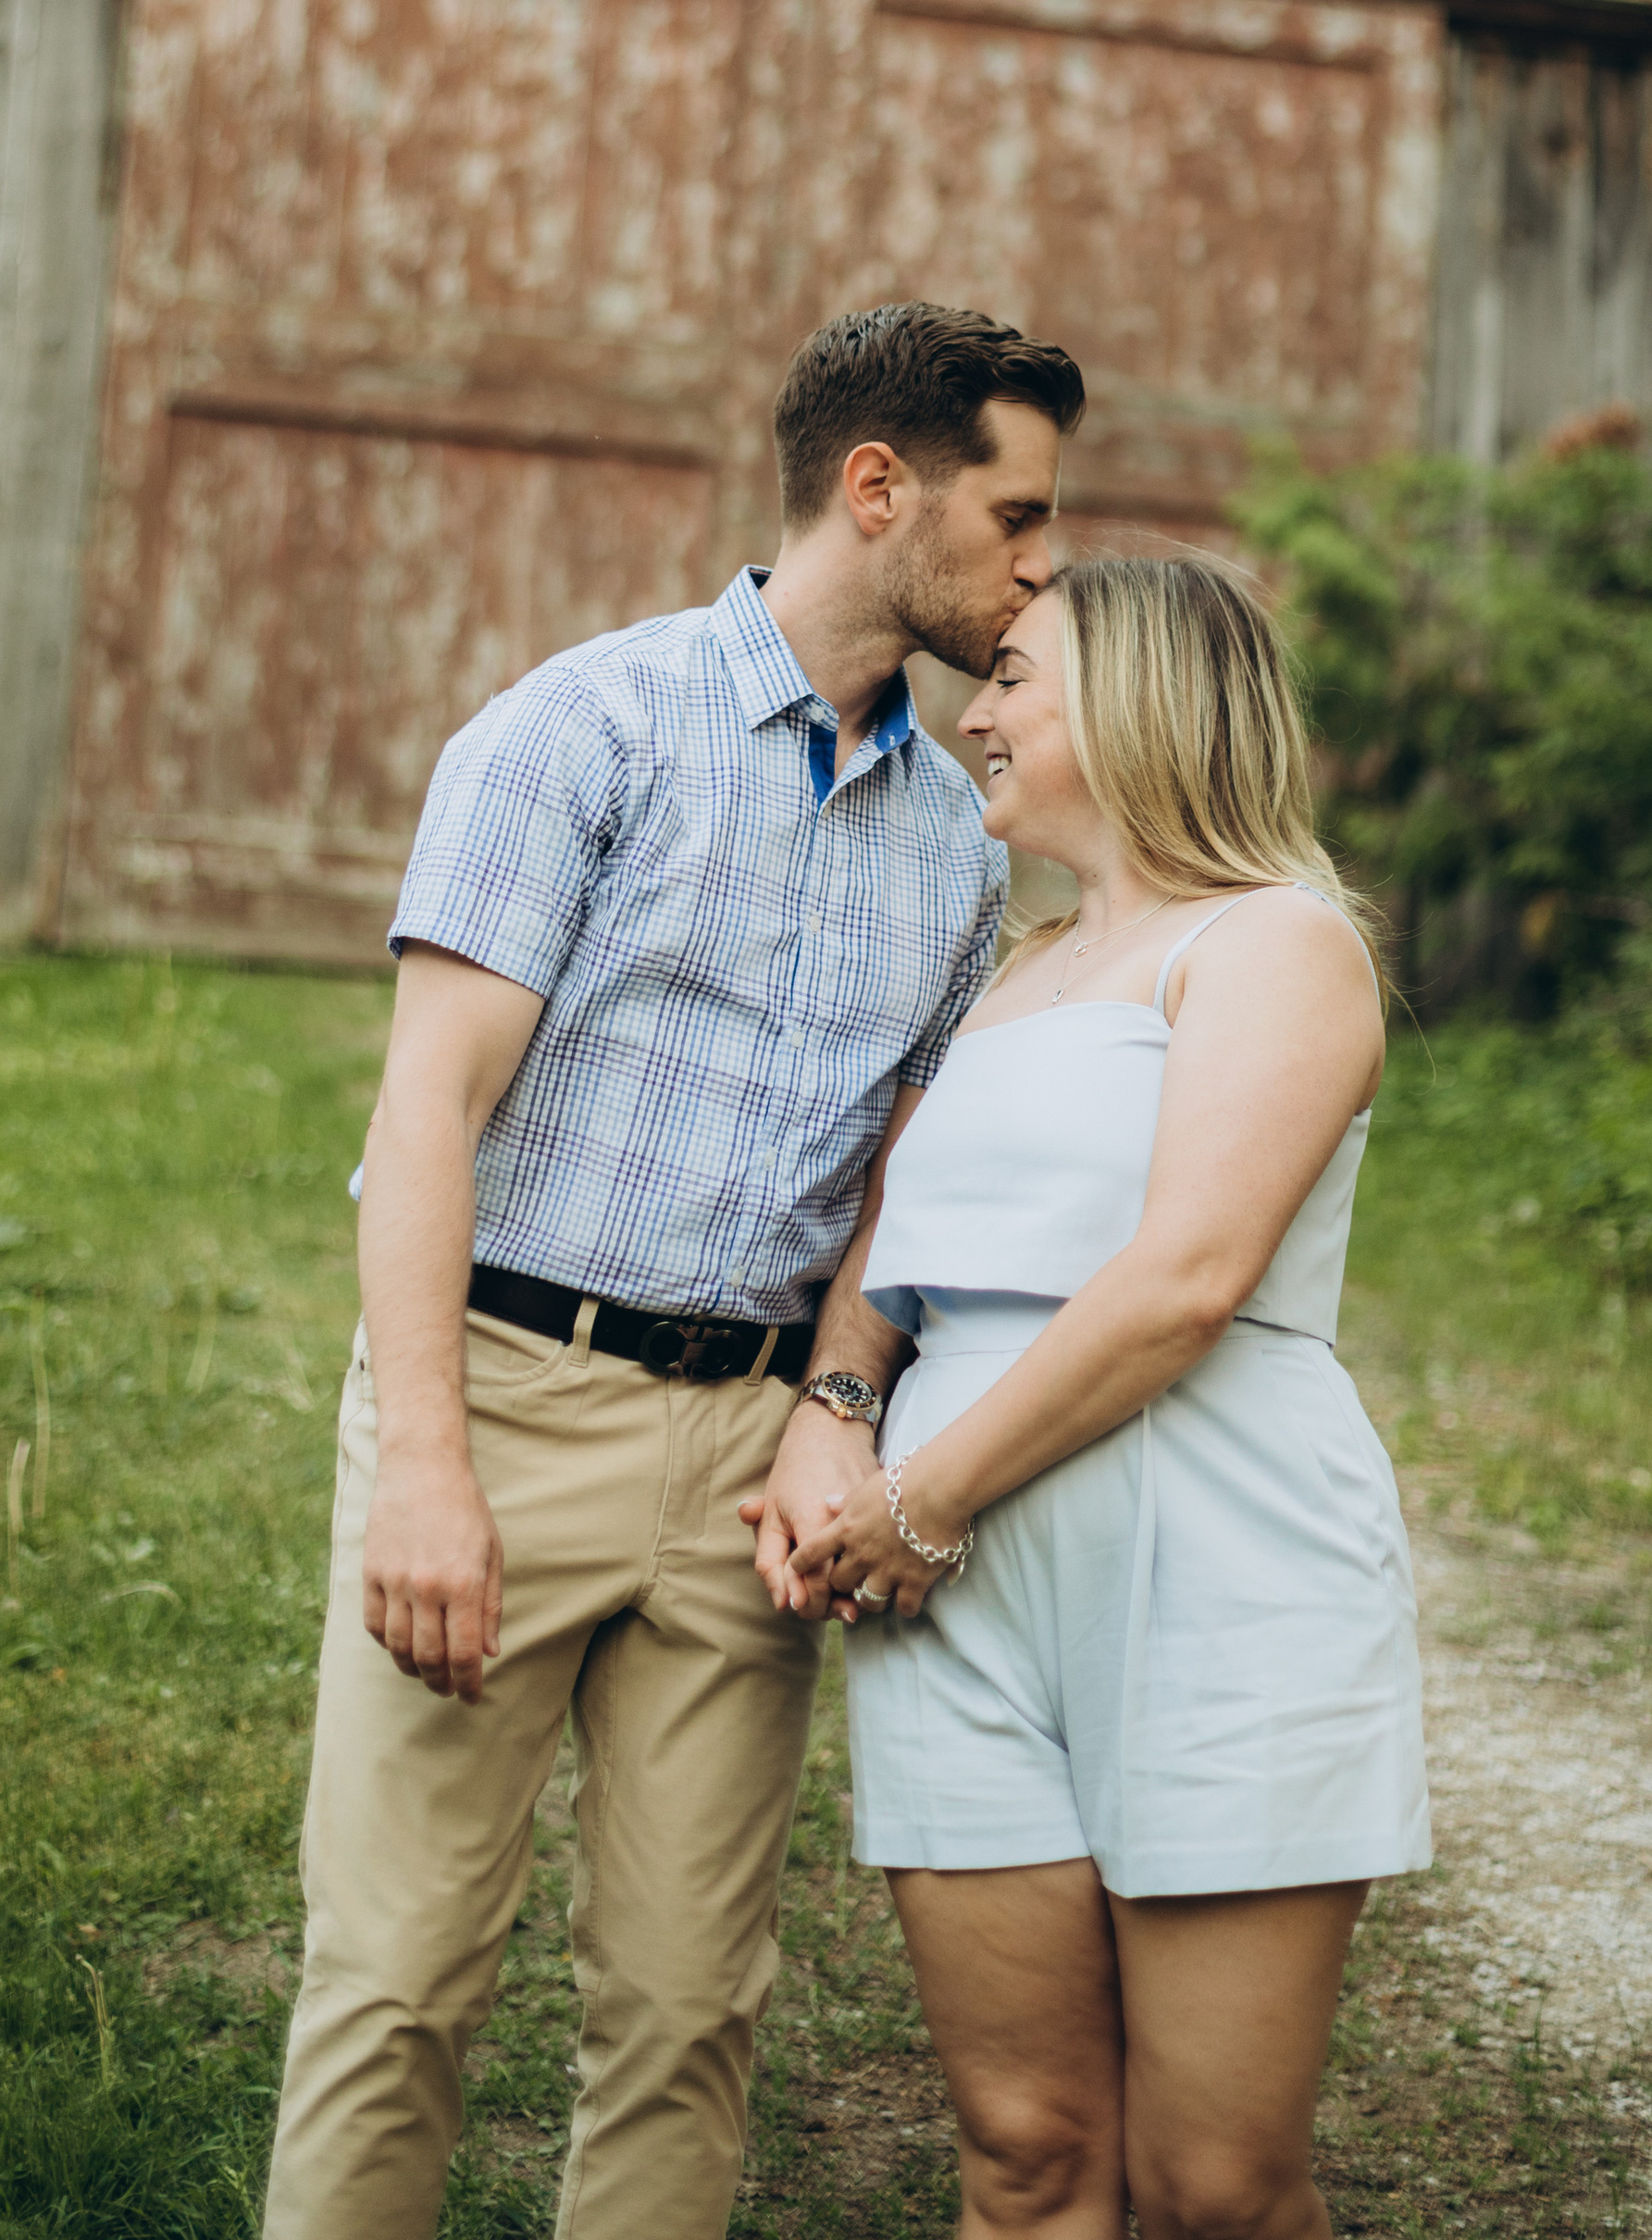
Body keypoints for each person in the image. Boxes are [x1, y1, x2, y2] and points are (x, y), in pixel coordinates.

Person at [261, 300, 1086, 2240]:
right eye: (1018, 513)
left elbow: (897, 1171)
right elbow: (424, 1122)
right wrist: (427, 1464)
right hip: (508, 1402)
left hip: (743, 1469)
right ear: (878, 490)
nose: (1045, 563)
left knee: (688, 2016)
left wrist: (830, 1409)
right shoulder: (581, 731)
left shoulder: (963, 850)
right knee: (392, 1992)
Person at [793, 552, 1431, 2240]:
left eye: (1011, 677)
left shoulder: (1278, 944)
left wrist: (924, 1500)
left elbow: (1183, 1285)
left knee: (1213, 2184)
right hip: (956, 1601)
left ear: (1141, 699)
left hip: (1217, 1565)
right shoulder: (1013, 973)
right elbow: (898, 1243)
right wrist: (840, 1411)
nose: (973, 711)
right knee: (1025, 2148)